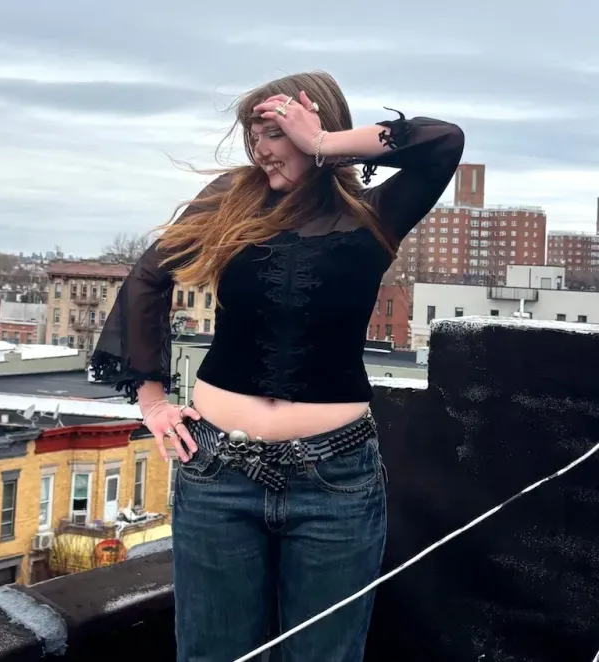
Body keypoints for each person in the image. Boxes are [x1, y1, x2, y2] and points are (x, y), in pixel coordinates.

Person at [89, 70, 464, 662]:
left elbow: (443, 141)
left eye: (273, 131)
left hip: (336, 481)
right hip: (215, 472)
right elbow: (147, 278)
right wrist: (153, 401)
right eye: (253, 135)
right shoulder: (229, 199)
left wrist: (321, 145)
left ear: (316, 124)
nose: (260, 149)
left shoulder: (378, 213)